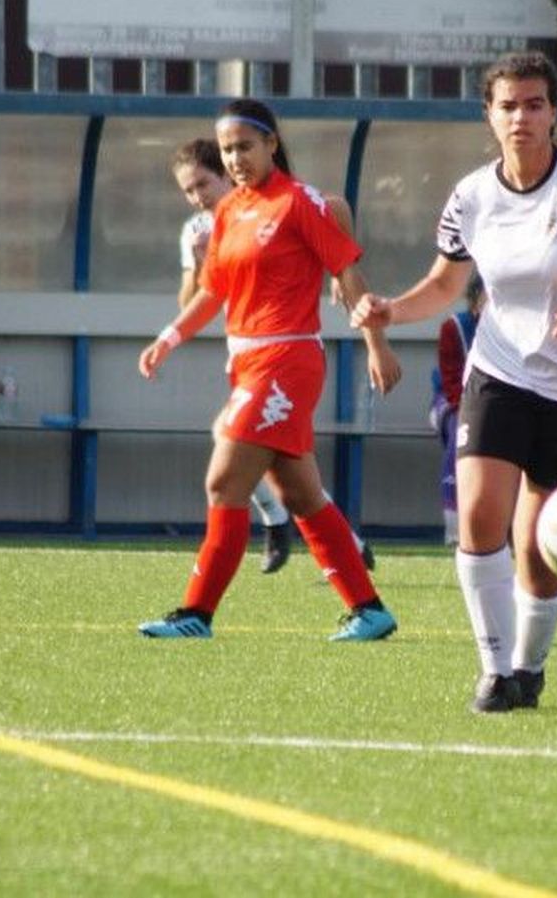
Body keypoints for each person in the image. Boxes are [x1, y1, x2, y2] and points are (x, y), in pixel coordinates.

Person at [352, 51, 557, 712]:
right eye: (508, 105)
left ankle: (529, 666)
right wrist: (390, 309)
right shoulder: (471, 196)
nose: (521, 116)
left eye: (534, 104)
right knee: (478, 517)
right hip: (500, 369)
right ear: (489, 115)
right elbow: (445, 284)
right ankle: (495, 669)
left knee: (536, 546)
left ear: (555, 112)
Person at [137, 100, 401, 640]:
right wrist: (169, 338)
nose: (235, 158)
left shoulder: (299, 203)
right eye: (228, 149)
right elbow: (214, 290)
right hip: (249, 361)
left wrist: (377, 344)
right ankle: (370, 611)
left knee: (223, 482)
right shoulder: (230, 210)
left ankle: (196, 614)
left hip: (287, 360)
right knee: (300, 495)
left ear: (272, 144)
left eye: (245, 147)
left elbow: (348, 273)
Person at [170, 138, 375, 575]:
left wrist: (340, 268)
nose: (197, 197)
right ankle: (354, 565)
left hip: (284, 353)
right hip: (245, 354)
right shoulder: (200, 228)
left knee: (230, 457)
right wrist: (195, 270)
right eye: (188, 191)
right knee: (295, 478)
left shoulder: (277, 202)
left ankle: (260, 542)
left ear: (226, 174)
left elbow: (333, 207)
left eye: (203, 184)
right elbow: (195, 298)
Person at [429, 274, 484, 545]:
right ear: (475, 300)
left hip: (495, 403)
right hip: (452, 402)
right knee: (460, 431)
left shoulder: (515, 329)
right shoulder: (455, 327)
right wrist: (469, 410)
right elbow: (450, 379)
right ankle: (453, 527)